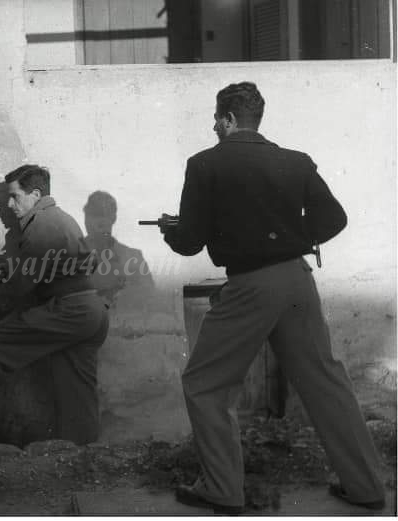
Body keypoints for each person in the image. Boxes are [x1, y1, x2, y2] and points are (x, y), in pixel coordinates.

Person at [160, 82, 385, 514]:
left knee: (205, 385)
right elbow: (334, 219)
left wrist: (172, 231)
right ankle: (367, 488)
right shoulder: (295, 161)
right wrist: (291, 238)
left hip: (250, 286)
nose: (214, 126)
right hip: (297, 280)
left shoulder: (205, 164)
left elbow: (189, 242)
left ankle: (221, 490)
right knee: (325, 380)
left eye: (216, 119)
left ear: (228, 119)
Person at [0, 164, 110, 444]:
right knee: (75, 381)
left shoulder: (40, 226)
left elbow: (20, 290)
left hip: (70, 310)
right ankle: (83, 445)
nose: (8, 206)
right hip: (92, 311)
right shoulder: (60, 218)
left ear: (36, 195)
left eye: (14, 197)